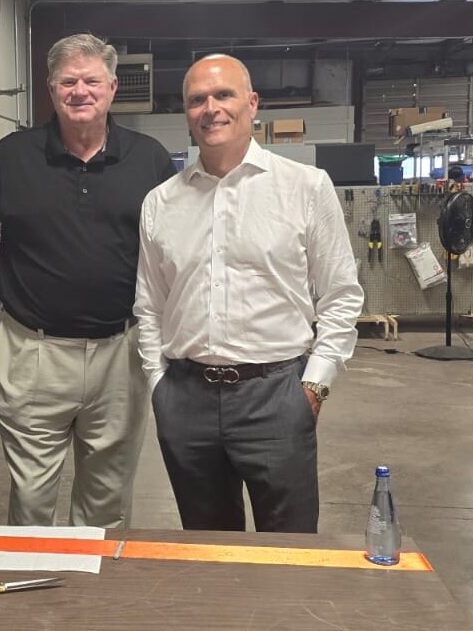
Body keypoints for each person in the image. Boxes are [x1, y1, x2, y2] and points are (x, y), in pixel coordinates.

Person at [0, 34, 176, 528]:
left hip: (120, 353)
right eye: (68, 81)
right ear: (51, 90)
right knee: (31, 499)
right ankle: (35, 574)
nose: (80, 91)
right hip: (33, 352)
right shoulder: (14, 157)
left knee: (108, 499)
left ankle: (95, 579)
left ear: (112, 88)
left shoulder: (149, 160)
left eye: (91, 80)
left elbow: (176, 251)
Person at [134, 55, 363, 533]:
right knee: (209, 550)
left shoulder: (305, 187)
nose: (210, 109)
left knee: (290, 550)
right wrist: (159, 385)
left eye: (224, 95)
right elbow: (149, 304)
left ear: (253, 104)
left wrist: (315, 385)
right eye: (197, 99)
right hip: (186, 399)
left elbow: (341, 294)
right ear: (186, 112)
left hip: (277, 396)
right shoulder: (160, 202)